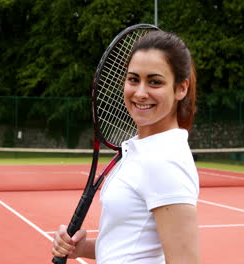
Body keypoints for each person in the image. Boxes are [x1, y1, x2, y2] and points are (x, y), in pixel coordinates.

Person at [52, 29, 200, 264]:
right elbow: (132, 246)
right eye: (133, 79)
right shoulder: (142, 150)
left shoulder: (166, 160)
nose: (140, 93)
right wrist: (81, 248)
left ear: (181, 88)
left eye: (155, 82)